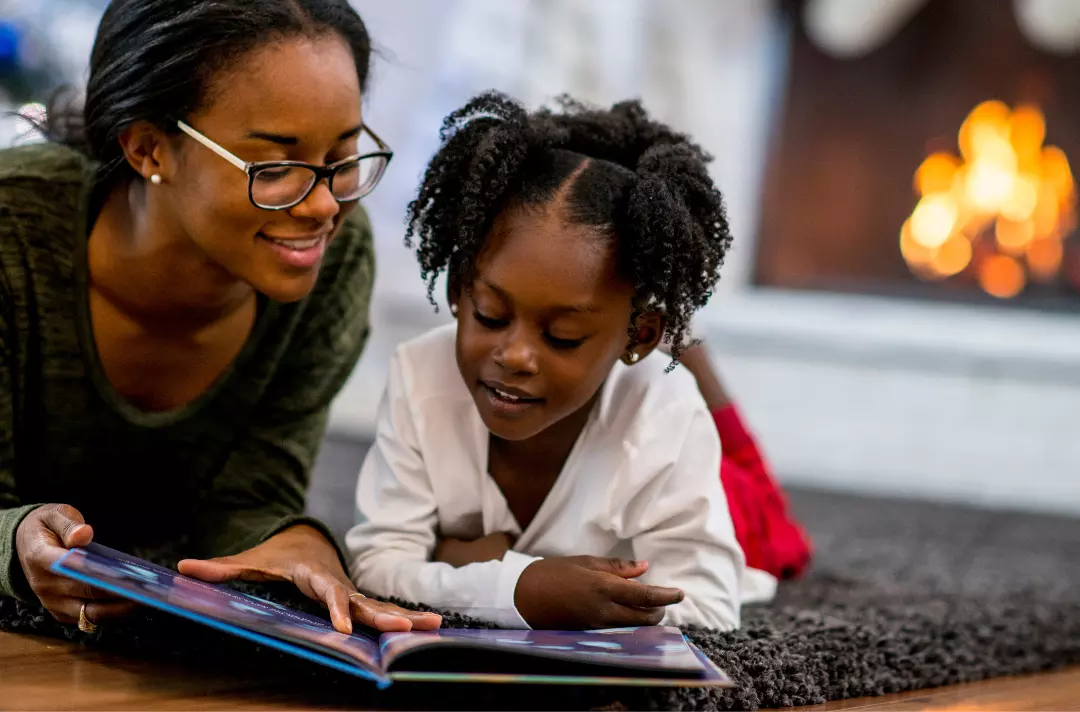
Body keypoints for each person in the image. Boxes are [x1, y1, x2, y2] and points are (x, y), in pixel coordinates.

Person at [0, 0, 441, 637]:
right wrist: (17, 543)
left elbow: (252, 494)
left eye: (342, 158)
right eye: (277, 165)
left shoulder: (335, 257)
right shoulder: (13, 238)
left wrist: (296, 544)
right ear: (150, 148)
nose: (323, 206)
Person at [346, 91, 779, 631]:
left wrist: (470, 563)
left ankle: (693, 349)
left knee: (771, 525)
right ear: (459, 290)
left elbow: (710, 611)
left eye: (564, 337)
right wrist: (521, 586)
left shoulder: (666, 417)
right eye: (490, 315)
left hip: (733, 509)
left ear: (638, 336)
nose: (515, 355)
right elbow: (376, 565)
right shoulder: (419, 373)